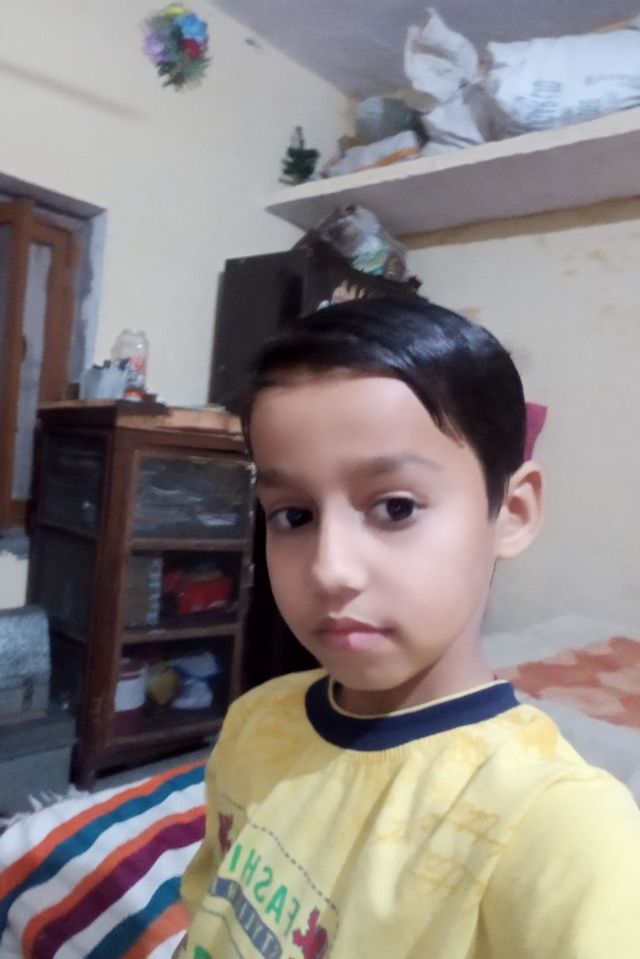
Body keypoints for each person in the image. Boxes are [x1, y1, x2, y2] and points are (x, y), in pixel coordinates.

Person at [176, 298, 640, 959]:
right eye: (294, 516)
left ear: (511, 511)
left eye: (395, 508)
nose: (330, 570)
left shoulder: (561, 830)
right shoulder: (256, 721)